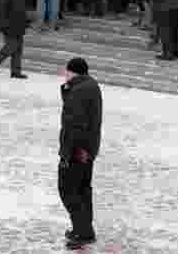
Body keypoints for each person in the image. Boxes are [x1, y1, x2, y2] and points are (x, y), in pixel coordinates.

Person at [58, 57, 103, 250]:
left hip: (77, 150)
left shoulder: (79, 91)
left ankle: (83, 232)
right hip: (87, 148)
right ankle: (84, 229)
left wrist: (67, 154)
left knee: (69, 190)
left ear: (72, 72)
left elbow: (74, 125)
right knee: (82, 190)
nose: (65, 75)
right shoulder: (90, 86)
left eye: (66, 72)